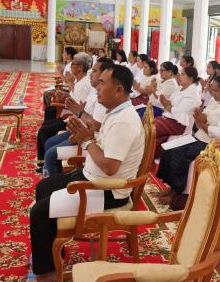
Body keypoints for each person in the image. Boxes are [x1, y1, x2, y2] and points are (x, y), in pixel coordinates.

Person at [29, 65, 145, 278]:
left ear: (118, 90)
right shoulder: (116, 112)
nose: (97, 87)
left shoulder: (124, 121)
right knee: (43, 187)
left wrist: (87, 139)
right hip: (92, 179)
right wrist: (88, 134)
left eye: (102, 83)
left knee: (38, 212)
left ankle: (47, 275)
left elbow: (110, 168)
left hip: (107, 192)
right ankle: (53, 254)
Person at [156, 74, 220, 206]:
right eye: (211, 90)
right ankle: (173, 187)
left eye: (216, 90)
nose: (213, 94)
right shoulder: (215, 100)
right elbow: (204, 119)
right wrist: (199, 117)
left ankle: (179, 193)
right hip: (201, 138)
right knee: (170, 149)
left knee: (181, 155)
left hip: (214, 145)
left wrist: (202, 123)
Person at [41, 58, 113, 176]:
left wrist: (79, 112)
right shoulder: (94, 91)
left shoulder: (103, 96)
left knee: (50, 154)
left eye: (94, 71)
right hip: (80, 129)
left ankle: (53, 181)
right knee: (49, 143)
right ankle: (55, 176)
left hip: (88, 139)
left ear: (104, 74)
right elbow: (84, 111)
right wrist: (77, 111)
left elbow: (96, 126)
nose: (90, 74)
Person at [37, 53, 93, 163]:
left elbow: (75, 108)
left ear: (80, 67)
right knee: (46, 125)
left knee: (44, 130)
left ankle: (45, 161)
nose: (71, 66)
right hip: (74, 118)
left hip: (75, 122)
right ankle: (46, 160)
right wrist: (65, 95)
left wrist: (66, 96)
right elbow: (74, 100)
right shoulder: (80, 81)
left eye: (73, 64)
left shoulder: (83, 84)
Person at [154, 66, 201, 159]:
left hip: (178, 124)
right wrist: (167, 104)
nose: (179, 76)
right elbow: (169, 103)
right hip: (169, 118)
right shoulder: (180, 89)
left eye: (183, 74)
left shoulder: (193, 94)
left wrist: (169, 106)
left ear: (191, 78)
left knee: (150, 129)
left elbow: (181, 113)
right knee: (147, 128)